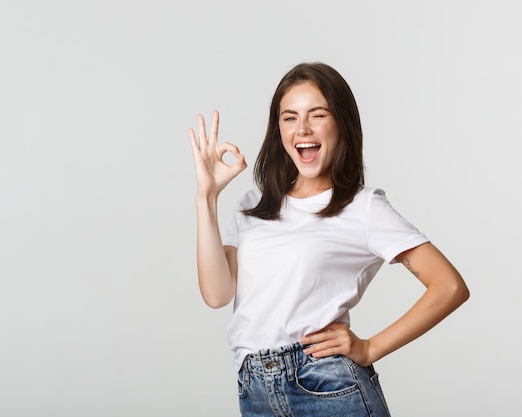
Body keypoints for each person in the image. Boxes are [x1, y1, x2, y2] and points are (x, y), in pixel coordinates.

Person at [188, 62, 469, 417]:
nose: (302, 129)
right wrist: (206, 197)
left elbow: (449, 287)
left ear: (341, 123)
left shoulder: (363, 208)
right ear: (278, 129)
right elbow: (217, 294)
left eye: (317, 114)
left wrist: (370, 348)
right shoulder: (253, 206)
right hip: (255, 390)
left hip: (326, 385)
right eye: (289, 117)